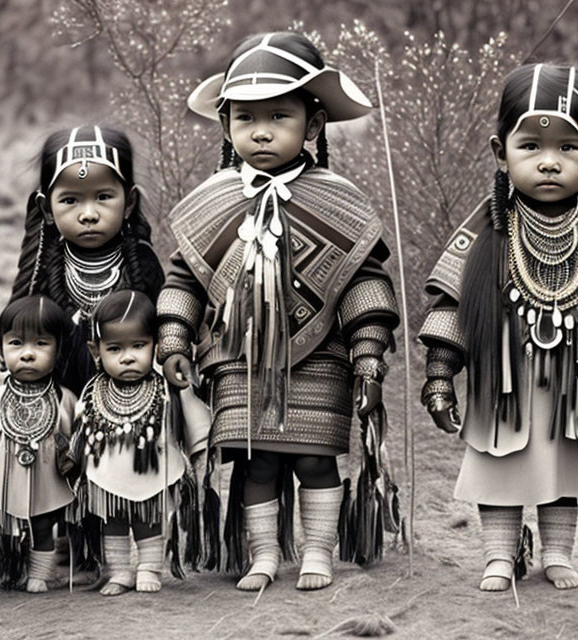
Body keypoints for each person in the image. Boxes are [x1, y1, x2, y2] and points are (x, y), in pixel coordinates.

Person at [157, 32, 401, 592]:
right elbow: (185, 280)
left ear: (313, 125)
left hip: (321, 361)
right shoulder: (211, 201)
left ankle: (317, 551)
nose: (261, 131)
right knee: (256, 463)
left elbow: (366, 282)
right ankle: (264, 554)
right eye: (245, 118)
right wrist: (174, 339)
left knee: (316, 461)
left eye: (280, 116)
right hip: (237, 361)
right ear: (225, 127)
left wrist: (367, 358)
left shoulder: (339, 198)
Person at [419, 63, 578, 592]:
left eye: (568, 149)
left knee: (563, 465)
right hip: (503, 378)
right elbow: (450, 302)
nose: (549, 163)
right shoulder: (484, 230)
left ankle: (557, 553)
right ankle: (498, 556)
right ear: (500, 151)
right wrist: (440, 374)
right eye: (531, 147)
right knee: (498, 466)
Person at [67, 290, 206, 596]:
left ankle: (148, 569)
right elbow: (80, 430)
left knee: (147, 521)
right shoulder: (92, 392)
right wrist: (71, 460)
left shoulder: (166, 390)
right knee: (112, 522)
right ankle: (119, 572)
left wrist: (196, 457)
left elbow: (191, 423)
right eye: (114, 348)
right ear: (95, 351)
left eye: (139, 346)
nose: (127, 357)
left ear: (156, 347)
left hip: (151, 471)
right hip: (106, 473)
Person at [8, 125, 164, 396]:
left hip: (134, 399)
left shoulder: (143, 264)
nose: (89, 214)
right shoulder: (44, 270)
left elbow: (163, 336)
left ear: (129, 202)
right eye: (70, 200)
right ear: (46, 208)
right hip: (59, 399)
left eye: (103, 197)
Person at [0, 295, 76, 592]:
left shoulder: (64, 400)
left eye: (41, 344)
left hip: (47, 479)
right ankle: (8, 570)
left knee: (42, 526)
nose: (28, 354)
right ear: (0, 352)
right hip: (2, 479)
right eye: (17, 344)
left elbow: (78, 436)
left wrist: (73, 459)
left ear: (59, 350)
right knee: (5, 526)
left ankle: (41, 574)